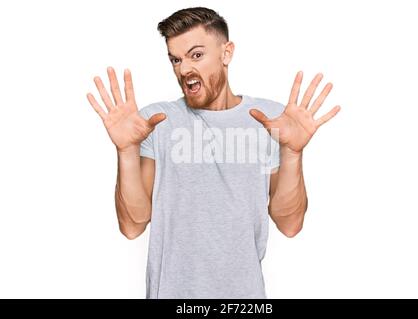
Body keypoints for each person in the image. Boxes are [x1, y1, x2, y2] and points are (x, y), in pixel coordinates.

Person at [86, 7, 340, 299]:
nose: (183, 70)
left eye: (196, 55)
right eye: (176, 59)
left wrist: (293, 153)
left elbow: (290, 224)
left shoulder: (270, 120)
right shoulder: (155, 121)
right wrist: (126, 151)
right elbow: (132, 226)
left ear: (226, 53)